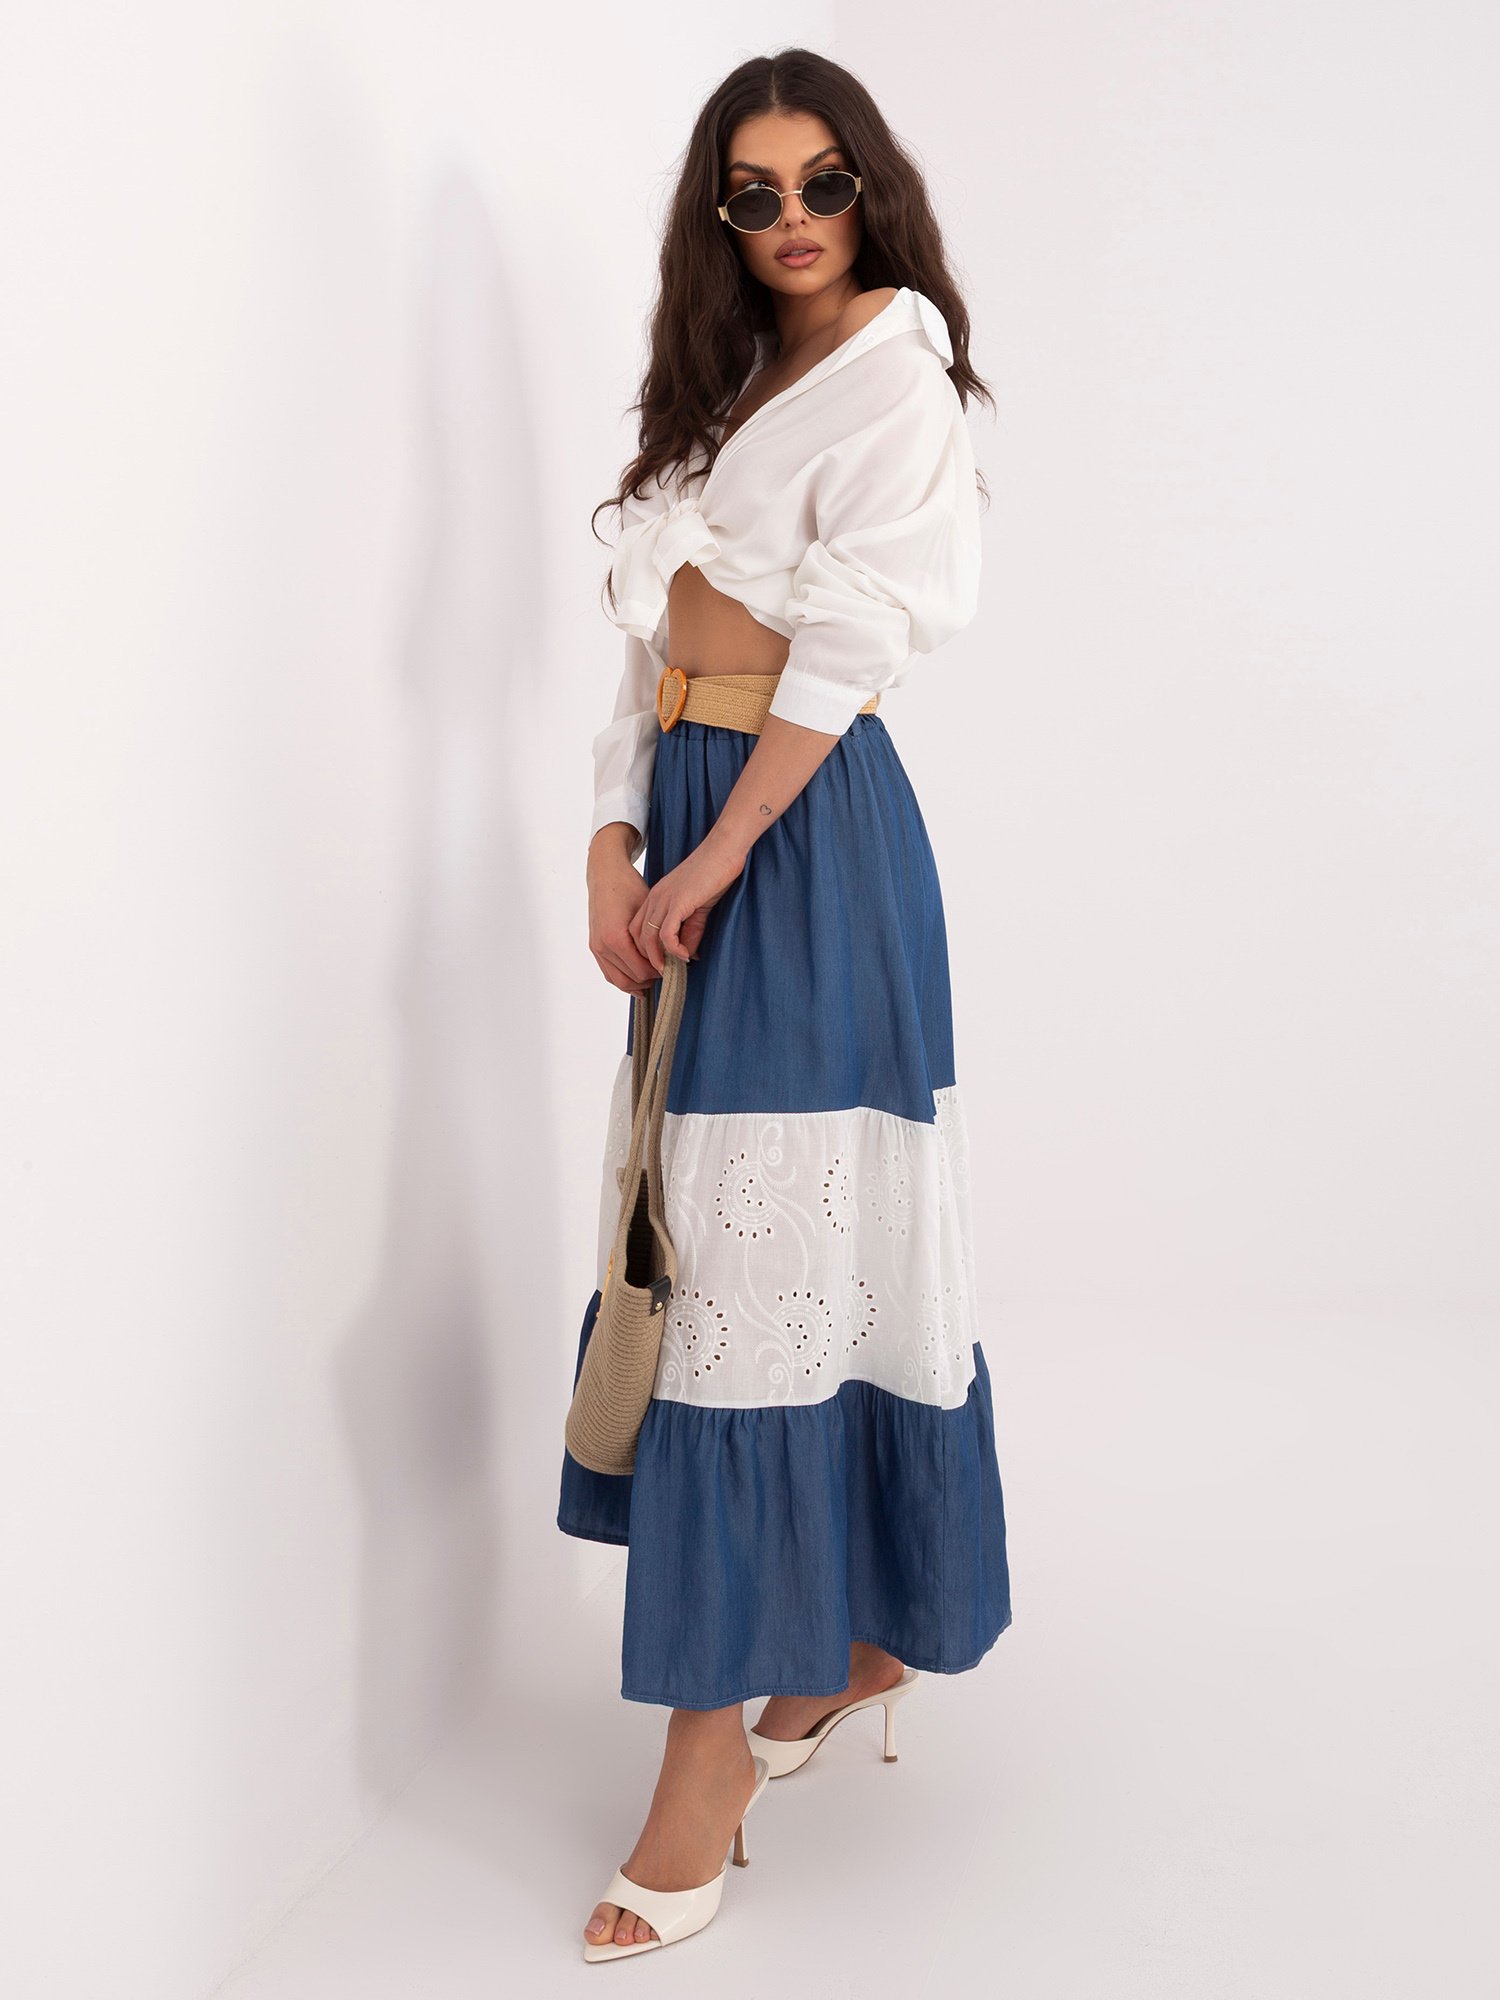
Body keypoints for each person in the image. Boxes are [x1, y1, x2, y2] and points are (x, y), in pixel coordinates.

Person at [557, 47, 1012, 1964]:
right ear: (719, 219)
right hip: (693, 821)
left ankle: (706, 1767)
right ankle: (841, 1648)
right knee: (708, 1251)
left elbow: (850, 639)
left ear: (870, 189)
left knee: (760, 1273)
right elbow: (651, 651)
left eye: (824, 182)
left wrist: (721, 850)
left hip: (801, 840)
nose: (797, 217)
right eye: (756, 193)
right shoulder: (725, 384)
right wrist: (613, 839)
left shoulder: (896, 373)